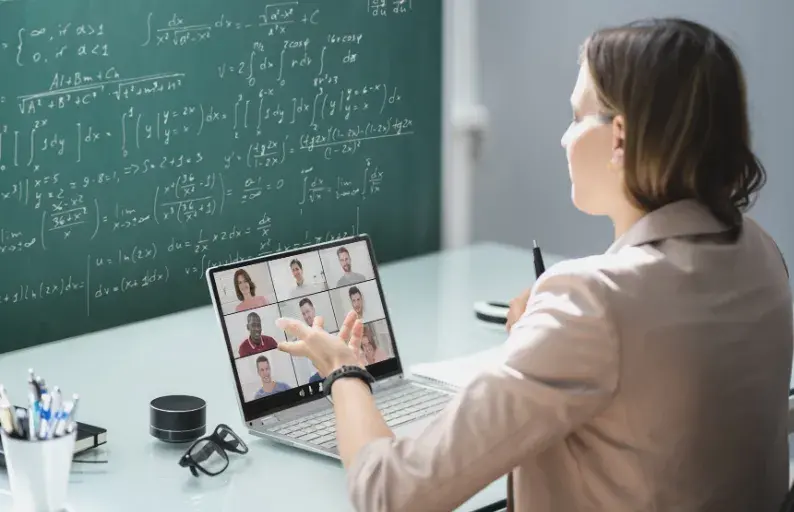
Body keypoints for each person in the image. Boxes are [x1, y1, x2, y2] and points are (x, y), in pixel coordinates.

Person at [274, 18, 793, 512]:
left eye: (575, 117)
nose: (564, 138)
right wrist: (549, 338)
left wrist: (344, 372)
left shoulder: (592, 303)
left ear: (619, 138)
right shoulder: (762, 254)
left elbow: (390, 493)